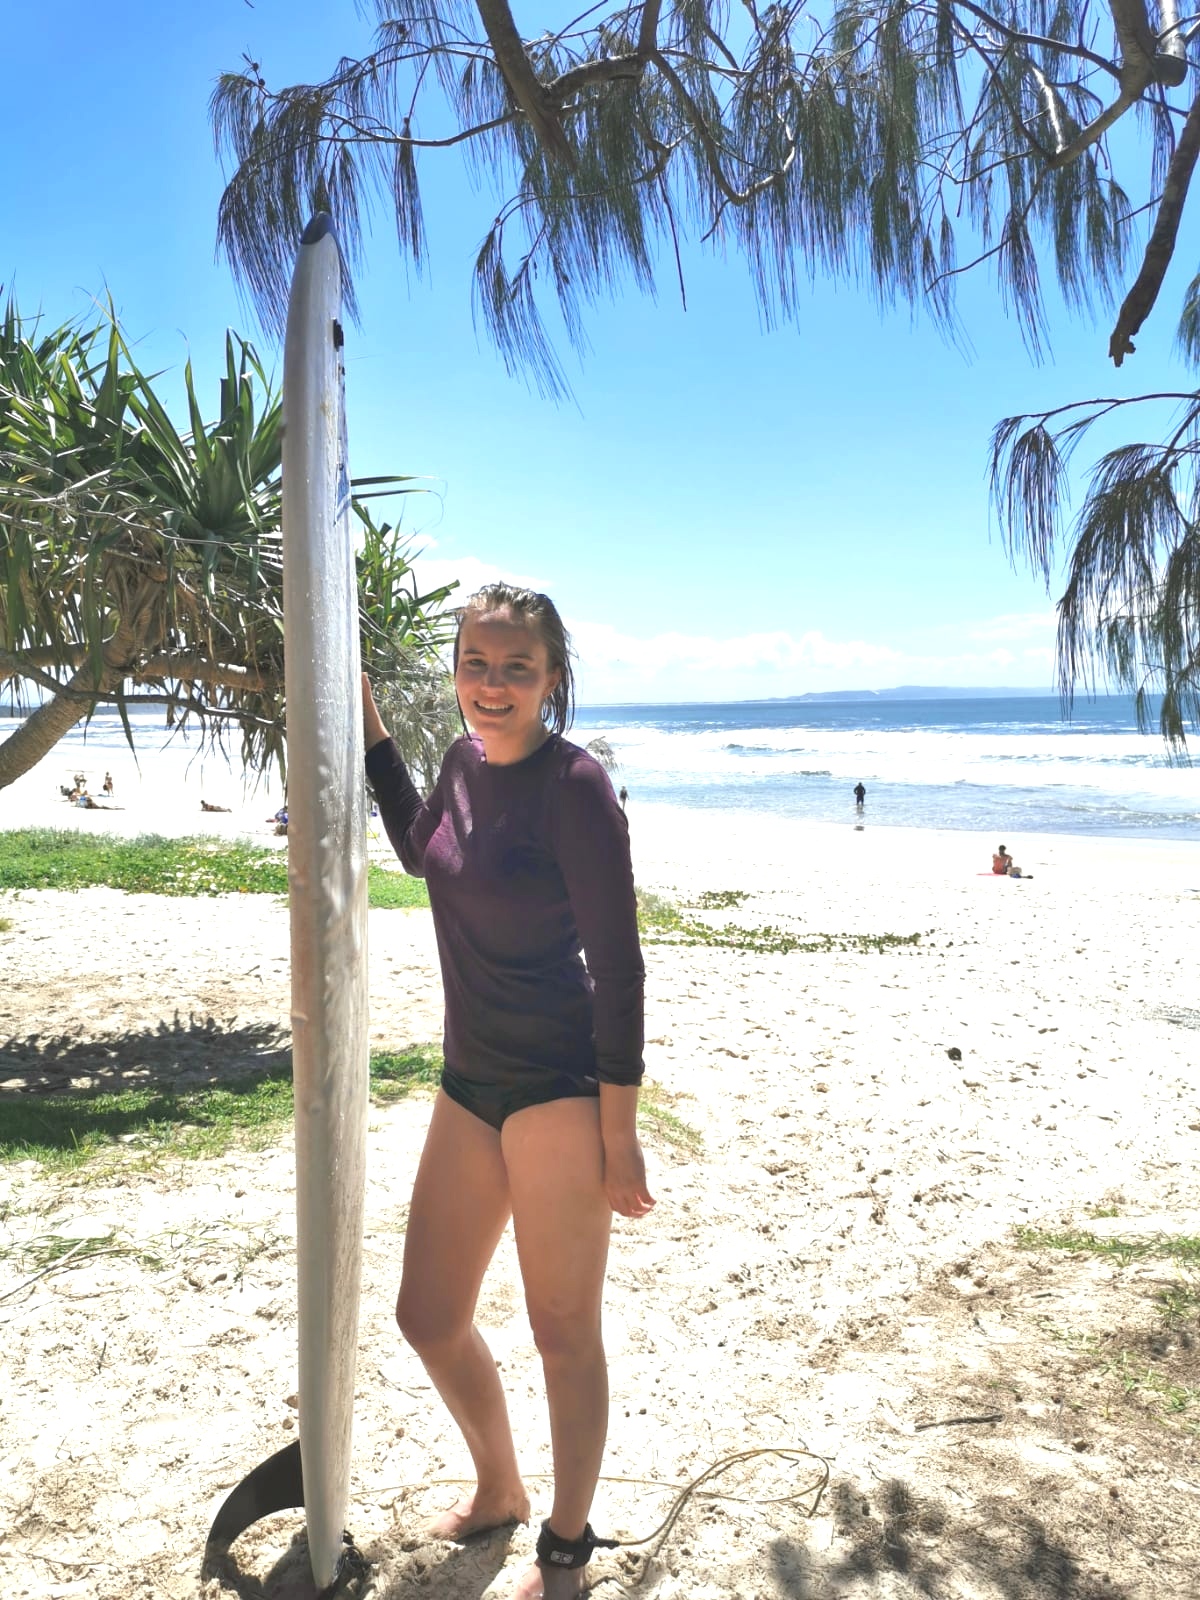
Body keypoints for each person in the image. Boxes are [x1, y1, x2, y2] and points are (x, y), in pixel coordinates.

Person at [362, 582, 653, 1600]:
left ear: (552, 678)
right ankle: (499, 1485)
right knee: (429, 1314)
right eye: (475, 664)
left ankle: (566, 1545)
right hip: (469, 1079)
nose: (492, 684)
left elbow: (619, 968)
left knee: (562, 1331)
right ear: (456, 672)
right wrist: (369, 729)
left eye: (515, 667)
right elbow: (420, 849)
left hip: (558, 1088)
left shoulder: (576, 786)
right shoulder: (461, 762)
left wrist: (620, 1130)